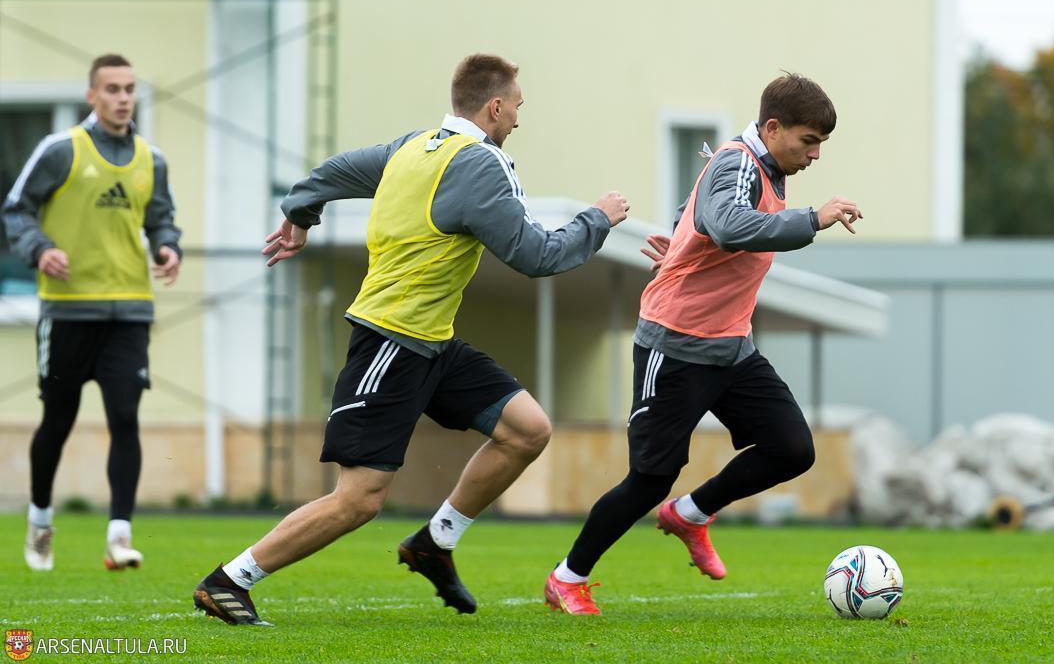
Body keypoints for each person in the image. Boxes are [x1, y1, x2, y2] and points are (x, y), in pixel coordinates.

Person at [193, 53, 630, 626]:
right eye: (518, 107)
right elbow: (536, 256)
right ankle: (230, 580)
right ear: (496, 106)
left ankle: (434, 542)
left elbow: (334, 171)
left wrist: (300, 213)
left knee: (527, 430)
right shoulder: (481, 164)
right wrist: (598, 218)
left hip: (433, 343)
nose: (519, 119)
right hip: (391, 344)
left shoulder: (413, 146)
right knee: (359, 499)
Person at [544, 73, 862, 615]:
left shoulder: (766, 167)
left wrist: (680, 243)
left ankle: (690, 513)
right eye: (809, 141)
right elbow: (728, 224)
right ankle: (567, 577)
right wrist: (813, 219)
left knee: (792, 448)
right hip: (674, 345)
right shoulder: (740, 162)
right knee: (649, 481)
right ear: (772, 128)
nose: (815, 155)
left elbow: (699, 213)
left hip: (731, 347)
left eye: (821, 144)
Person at [3, 53, 182, 573]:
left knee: (125, 418)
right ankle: (40, 522)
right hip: (67, 312)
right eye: (112, 89)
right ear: (92, 96)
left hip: (129, 312)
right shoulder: (60, 150)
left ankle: (119, 537)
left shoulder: (152, 159)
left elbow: (161, 219)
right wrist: (40, 249)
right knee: (58, 420)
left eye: (129, 89)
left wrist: (167, 246)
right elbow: (16, 208)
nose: (123, 98)